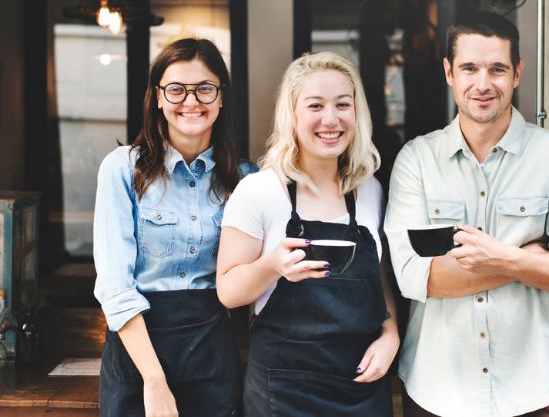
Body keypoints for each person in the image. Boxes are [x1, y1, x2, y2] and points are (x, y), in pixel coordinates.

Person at [384, 11, 549, 417]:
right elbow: (414, 276)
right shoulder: (416, 160)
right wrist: (529, 260)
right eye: (469, 68)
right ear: (449, 72)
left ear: (518, 73)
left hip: (529, 389)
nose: (483, 84)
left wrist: (503, 258)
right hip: (437, 388)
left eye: (497, 69)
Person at [216, 51, 399, 416]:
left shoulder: (369, 189)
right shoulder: (260, 191)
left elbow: (377, 276)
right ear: (293, 115)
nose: (330, 119)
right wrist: (272, 265)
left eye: (342, 105)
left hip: (359, 386)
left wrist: (390, 334)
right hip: (283, 391)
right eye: (315, 106)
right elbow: (228, 292)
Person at [93, 38, 256, 417]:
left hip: (213, 355)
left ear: (221, 97)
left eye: (204, 89)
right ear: (159, 98)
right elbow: (115, 286)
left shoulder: (247, 179)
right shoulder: (121, 170)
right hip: (137, 358)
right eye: (176, 89)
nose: (191, 101)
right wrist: (154, 379)